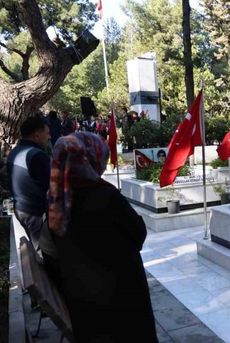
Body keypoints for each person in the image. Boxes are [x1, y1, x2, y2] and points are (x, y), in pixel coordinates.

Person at [48, 132, 157, 342]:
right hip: (122, 297)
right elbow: (137, 234)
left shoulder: (55, 199)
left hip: (82, 300)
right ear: (89, 158)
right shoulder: (104, 195)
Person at [6, 116, 51, 250]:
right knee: (44, 252)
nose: (49, 137)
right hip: (35, 213)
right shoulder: (36, 155)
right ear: (37, 134)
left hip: (22, 209)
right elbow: (52, 186)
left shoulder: (15, 151)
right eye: (47, 133)